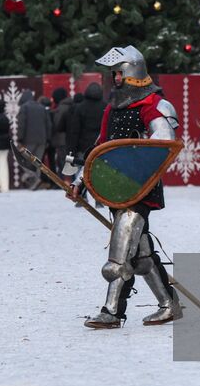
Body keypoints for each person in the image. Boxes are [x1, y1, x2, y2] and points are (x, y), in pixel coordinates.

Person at [68, 46, 182, 329]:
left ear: (131, 73)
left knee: (120, 253)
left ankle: (111, 312)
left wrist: (136, 158)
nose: (115, 78)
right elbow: (100, 148)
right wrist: (80, 180)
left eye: (118, 73)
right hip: (119, 188)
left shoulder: (153, 105)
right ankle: (169, 304)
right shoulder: (113, 108)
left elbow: (163, 143)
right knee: (141, 255)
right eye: (114, 73)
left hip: (141, 188)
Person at [64, 82, 106, 176]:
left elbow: (74, 131)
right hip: (100, 147)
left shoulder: (80, 107)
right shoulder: (105, 107)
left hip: (82, 147)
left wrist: (71, 150)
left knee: (80, 174)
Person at [16, 89, 52, 191]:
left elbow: (21, 124)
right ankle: (35, 184)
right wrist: (48, 139)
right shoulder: (41, 107)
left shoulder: (24, 107)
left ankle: (33, 179)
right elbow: (48, 124)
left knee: (24, 160)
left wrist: (20, 138)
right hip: (42, 140)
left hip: (28, 139)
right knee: (37, 162)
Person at [49, 87, 73, 177]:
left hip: (62, 139)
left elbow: (57, 124)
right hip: (70, 138)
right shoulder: (71, 105)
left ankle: (64, 180)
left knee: (62, 160)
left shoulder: (61, 108)